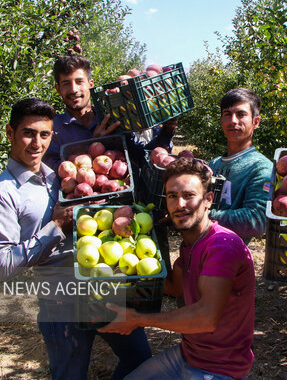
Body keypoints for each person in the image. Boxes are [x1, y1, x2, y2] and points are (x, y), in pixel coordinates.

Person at [0, 98, 152, 380]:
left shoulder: (57, 176)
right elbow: (4, 267)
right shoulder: (2, 196)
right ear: (10, 133)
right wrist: (55, 225)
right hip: (60, 302)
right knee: (70, 374)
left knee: (140, 359)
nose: (37, 143)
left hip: (102, 285)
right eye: (28, 133)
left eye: (44, 134)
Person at [99, 157, 255, 380]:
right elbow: (173, 287)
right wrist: (128, 260)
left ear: (208, 200)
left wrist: (138, 319)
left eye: (189, 195)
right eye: (173, 196)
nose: (179, 204)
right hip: (188, 354)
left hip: (220, 369)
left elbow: (206, 318)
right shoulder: (190, 244)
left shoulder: (222, 246)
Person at [43, 55, 177, 174]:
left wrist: (168, 130)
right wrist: (92, 145)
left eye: (79, 82)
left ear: (90, 84)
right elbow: (50, 169)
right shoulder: (52, 128)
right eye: (66, 84)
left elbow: (142, 157)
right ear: (58, 89)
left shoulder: (112, 119)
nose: (74, 89)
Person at [208, 88, 273, 244]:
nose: (233, 121)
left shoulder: (261, 168)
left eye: (241, 114)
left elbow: (256, 221)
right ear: (221, 120)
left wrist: (202, 216)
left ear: (255, 122)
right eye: (227, 114)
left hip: (229, 258)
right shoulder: (214, 164)